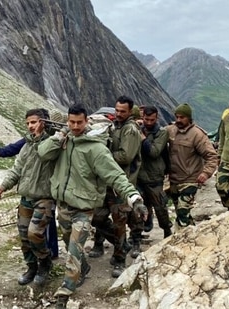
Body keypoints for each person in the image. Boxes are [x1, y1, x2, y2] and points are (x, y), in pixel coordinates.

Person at [38, 103, 146, 309]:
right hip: (64, 206)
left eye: (79, 122)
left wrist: (135, 198)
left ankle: (64, 294)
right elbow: (43, 154)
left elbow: (116, 175)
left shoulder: (95, 148)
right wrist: (59, 136)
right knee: (70, 242)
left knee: (74, 251)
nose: (75, 126)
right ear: (67, 121)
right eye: (71, 122)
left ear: (86, 121)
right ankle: (84, 268)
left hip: (84, 208)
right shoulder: (63, 142)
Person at [0, 109, 56, 286]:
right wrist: (4, 185)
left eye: (34, 122)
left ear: (43, 122)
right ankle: (31, 267)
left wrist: (42, 136)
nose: (30, 126)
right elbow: (17, 169)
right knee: (24, 236)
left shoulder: (51, 143)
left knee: (35, 233)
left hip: (44, 197)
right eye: (28, 123)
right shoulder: (26, 145)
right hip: (26, 197)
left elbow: (46, 153)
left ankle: (45, 263)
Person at [89, 95, 142, 278]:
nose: (118, 114)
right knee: (97, 218)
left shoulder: (131, 130)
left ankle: (120, 260)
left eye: (122, 111)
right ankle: (123, 245)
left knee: (120, 224)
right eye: (117, 110)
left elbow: (126, 156)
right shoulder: (114, 127)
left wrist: (102, 155)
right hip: (107, 183)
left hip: (121, 184)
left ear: (129, 112)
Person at [166, 104, 218, 227]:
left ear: (189, 118)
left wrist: (205, 173)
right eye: (177, 117)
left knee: (182, 212)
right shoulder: (170, 130)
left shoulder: (197, 135)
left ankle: (177, 241)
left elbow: (212, 156)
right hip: (174, 180)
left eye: (182, 117)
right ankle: (193, 233)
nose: (178, 120)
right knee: (182, 211)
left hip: (190, 180)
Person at [135, 106, 173, 244]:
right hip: (139, 175)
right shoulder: (139, 129)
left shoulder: (162, 133)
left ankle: (167, 230)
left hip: (154, 176)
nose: (149, 122)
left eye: (152, 120)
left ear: (156, 118)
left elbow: (154, 152)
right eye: (146, 119)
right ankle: (136, 236)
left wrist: (143, 138)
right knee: (138, 206)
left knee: (160, 207)